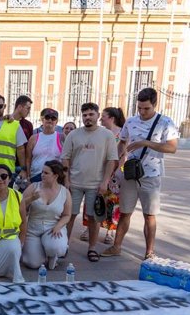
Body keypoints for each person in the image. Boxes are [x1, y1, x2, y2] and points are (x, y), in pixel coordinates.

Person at [102, 88, 179, 260]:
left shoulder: (165, 122)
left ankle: (149, 252)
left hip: (151, 174)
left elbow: (172, 147)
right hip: (130, 173)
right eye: (140, 108)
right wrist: (120, 157)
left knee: (149, 215)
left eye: (146, 108)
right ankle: (117, 246)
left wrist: (146, 143)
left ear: (154, 105)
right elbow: (122, 142)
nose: (142, 112)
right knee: (124, 212)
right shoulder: (131, 121)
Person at [61, 102, 119, 262]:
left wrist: (105, 181)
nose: (87, 118)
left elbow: (111, 160)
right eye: (84, 115)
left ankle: (92, 248)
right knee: (69, 215)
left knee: (93, 217)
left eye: (91, 114)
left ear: (97, 115)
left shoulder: (107, 135)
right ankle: (63, 245)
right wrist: (66, 180)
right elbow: (65, 158)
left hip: (96, 185)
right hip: (75, 183)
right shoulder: (74, 135)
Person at [81, 107, 126, 244]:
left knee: (112, 201)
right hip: (97, 171)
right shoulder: (100, 132)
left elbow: (123, 155)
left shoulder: (122, 134)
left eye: (104, 117)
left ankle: (110, 231)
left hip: (115, 173)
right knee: (93, 199)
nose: (101, 119)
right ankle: (89, 227)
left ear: (112, 118)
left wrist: (115, 173)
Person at [21, 160, 72, 270]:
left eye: (46, 173)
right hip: (33, 230)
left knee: (57, 247)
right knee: (33, 263)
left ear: (56, 176)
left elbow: (67, 215)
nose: (42, 175)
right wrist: (31, 199)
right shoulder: (34, 187)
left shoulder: (65, 192)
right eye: (42, 172)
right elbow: (18, 207)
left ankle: (57, 251)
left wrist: (58, 226)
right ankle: (43, 254)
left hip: (52, 227)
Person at [25, 108, 64, 183]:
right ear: (42, 120)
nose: (50, 120)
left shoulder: (61, 138)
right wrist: (28, 176)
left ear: (56, 122)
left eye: (53, 118)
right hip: (35, 176)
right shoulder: (33, 138)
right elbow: (28, 159)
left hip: (54, 177)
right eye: (47, 117)